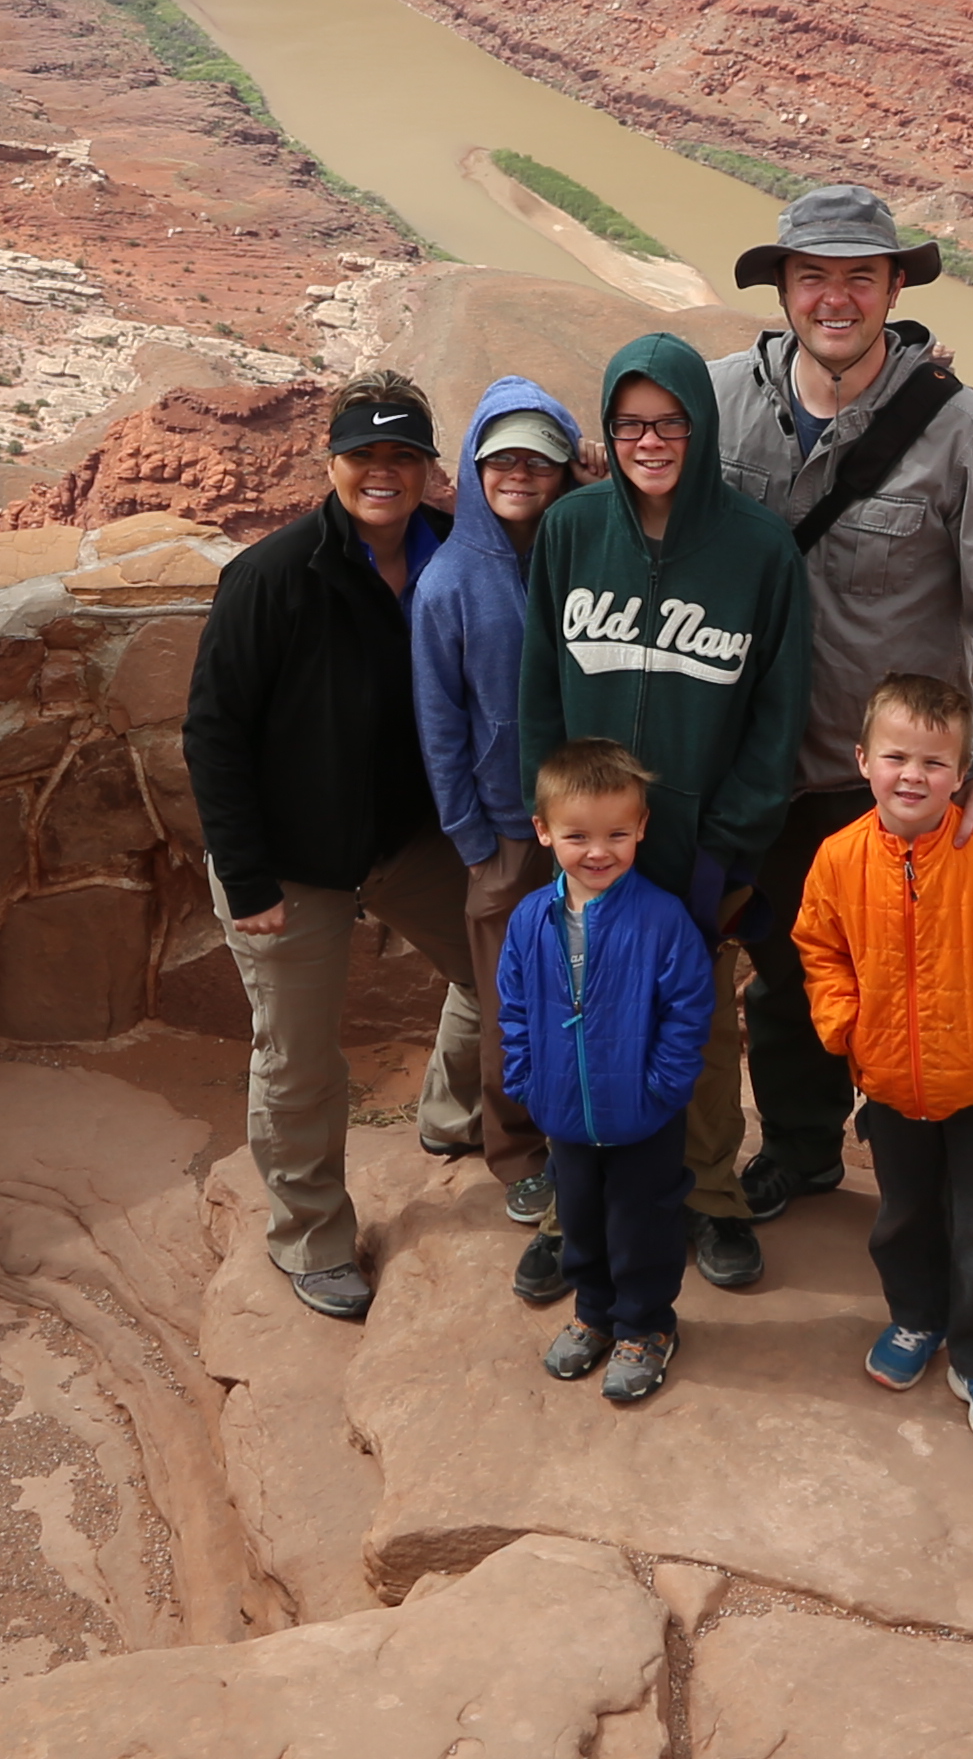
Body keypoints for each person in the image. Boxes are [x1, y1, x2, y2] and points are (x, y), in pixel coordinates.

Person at [709, 182, 973, 1222]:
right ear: (781, 287)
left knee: (920, 975)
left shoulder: (956, 432)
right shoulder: (724, 399)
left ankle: (945, 1174)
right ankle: (805, 1149)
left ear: (894, 286)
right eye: (811, 277)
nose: (835, 300)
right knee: (786, 973)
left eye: (858, 278)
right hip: (747, 756)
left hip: (873, 776)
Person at [512, 329, 810, 1294]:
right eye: (631, 424)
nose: (650, 442)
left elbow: (778, 714)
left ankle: (710, 1195)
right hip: (589, 841)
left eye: (670, 422)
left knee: (702, 1026)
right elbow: (538, 687)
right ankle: (576, 1209)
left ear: (701, 424)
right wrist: (545, 812)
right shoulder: (571, 530)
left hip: (694, 846)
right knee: (575, 1016)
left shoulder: (758, 550)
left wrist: (729, 850)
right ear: (608, 429)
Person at [176, 369, 477, 1320]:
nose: (381, 473)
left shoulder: (453, 561)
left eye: (402, 456)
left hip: (408, 840)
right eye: (364, 455)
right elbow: (212, 731)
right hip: (289, 860)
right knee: (301, 1058)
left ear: (429, 468)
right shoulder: (272, 575)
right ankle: (311, 1236)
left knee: (508, 972)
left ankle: (457, 1119)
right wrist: (248, 875)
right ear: (332, 463)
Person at [792, 669, 973, 1450]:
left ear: (961, 774)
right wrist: (846, 1026)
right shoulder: (839, 859)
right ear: (862, 760)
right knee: (902, 1217)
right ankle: (915, 1318)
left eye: (935, 763)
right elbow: (820, 947)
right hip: (887, 1083)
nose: (914, 775)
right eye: (897, 757)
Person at [490, 733, 715, 1408]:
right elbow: (514, 1004)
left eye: (617, 833)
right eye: (578, 835)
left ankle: (645, 1327)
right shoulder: (531, 920)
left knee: (642, 1221)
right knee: (582, 1218)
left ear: (642, 828)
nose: (598, 851)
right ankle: (594, 1312)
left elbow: (688, 1009)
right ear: (543, 831)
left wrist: (664, 1090)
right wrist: (528, 1080)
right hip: (563, 1110)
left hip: (644, 1114)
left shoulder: (662, 919)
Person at [411, 374, 584, 1219]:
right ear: (476, 465)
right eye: (501, 457)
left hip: (592, 826)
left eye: (542, 460)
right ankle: (514, 1151)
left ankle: (583, 1132)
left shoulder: (586, 550)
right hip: (508, 833)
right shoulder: (448, 582)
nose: (520, 473)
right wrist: (473, 842)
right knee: (512, 1001)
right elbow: (439, 725)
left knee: (589, 988)